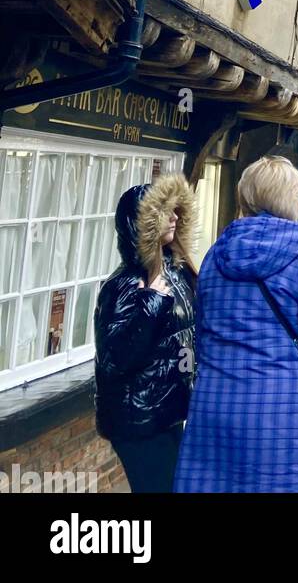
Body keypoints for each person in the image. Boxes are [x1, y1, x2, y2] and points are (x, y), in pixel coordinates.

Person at [174, 155, 298, 493]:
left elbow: (201, 334)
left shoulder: (216, 256)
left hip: (215, 407)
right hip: (280, 412)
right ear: (288, 199)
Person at [94, 173, 197, 493]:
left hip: (168, 412)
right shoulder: (124, 284)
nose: (175, 217)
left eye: (177, 211)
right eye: (166, 212)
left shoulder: (176, 271)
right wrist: (150, 302)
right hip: (137, 420)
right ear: (145, 223)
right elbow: (115, 359)